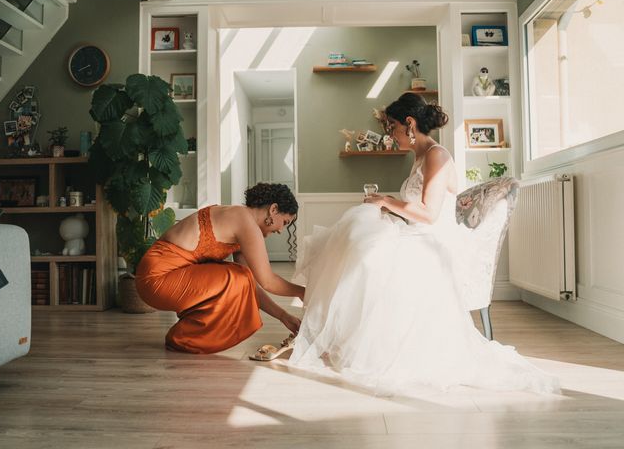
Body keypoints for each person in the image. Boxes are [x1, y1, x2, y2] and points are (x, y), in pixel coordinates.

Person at [289, 93, 559, 395]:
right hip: (417, 233)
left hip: (433, 241)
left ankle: (349, 335)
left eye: (392, 127)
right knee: (356, 236)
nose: (390, 135)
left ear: (409, 123)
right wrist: (386, 208)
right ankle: (343, 332)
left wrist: (387, 202)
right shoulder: (420, 156)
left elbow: (429, 214)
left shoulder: (437, 155)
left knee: (366, 249)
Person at [135, 183, 304, 354]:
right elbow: (268, 281)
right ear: (273, 209)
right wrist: (303, 292)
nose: (281, 230)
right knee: (238, 277)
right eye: (284, 222)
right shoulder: (243, 220)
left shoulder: (240, 219)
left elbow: (251, 284)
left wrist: (283, 316)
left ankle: (186, 334)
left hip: (159, 277)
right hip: (156, 278)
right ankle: (184, 338)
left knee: (241, 279)